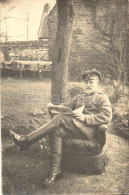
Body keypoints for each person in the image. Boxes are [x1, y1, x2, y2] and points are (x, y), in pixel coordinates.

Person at [9, 69, 112, 188]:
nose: (88, 85)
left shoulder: (102, 98)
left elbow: (107, 116)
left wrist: (85, 118)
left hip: (88, 132)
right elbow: (65, 106)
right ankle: (55, 171)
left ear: (97, 82)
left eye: (91, 82)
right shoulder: (80, 96)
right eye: (86, 82)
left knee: (60, 118)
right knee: (58, 131)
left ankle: (25, 141)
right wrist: (53, 106)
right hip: (75, 129)